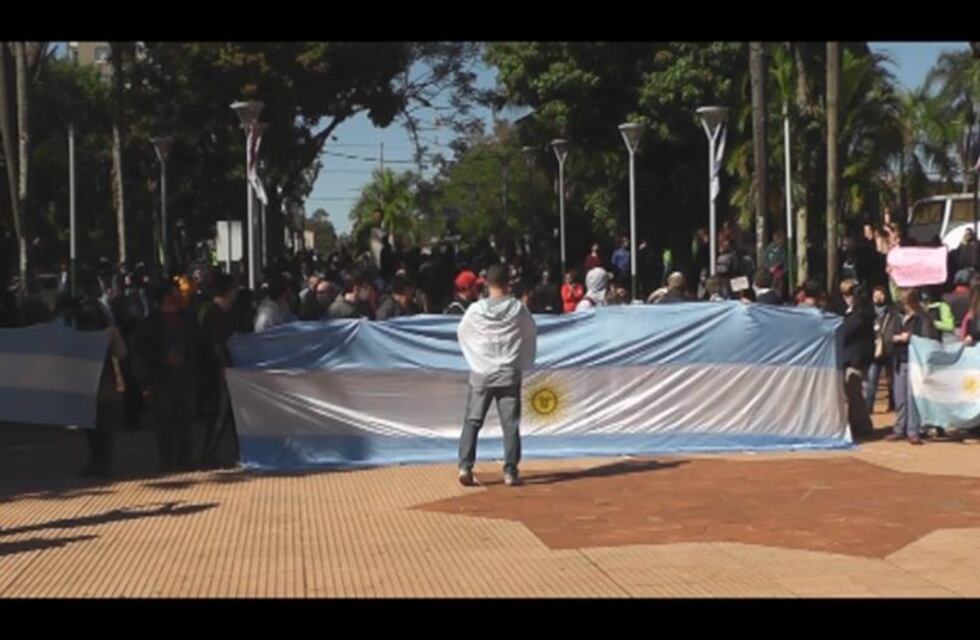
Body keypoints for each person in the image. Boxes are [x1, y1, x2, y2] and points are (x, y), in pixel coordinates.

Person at [456, 264, 537, 488]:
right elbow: (530, 331)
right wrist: (520, 357)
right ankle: (510, 471)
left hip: (482, 372)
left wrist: (477, 357)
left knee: (472, 421)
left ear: (487, 284)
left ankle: (465, 466)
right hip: (508, 371)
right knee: (510, 425)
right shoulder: (517, 309)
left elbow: (462, 332)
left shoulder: (475, 310)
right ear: (508, 283)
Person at [135, 280, 203, 471]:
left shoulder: (188, 318)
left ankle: (186, 459)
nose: (180, 296)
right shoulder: (150, 323)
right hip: (161, 380)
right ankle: (167, 461)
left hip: (186, 377)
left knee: (186, 420)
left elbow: (199, 342)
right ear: (166, 297)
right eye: (175, 293)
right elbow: (141, 350)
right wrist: (163, 358)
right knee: (163, 422)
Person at [74, 296, 127, 478]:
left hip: (94, 385)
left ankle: (101, 462)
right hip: (100, 384)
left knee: (97, 426)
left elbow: (121, 354)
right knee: (100, 426)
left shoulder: (78, 335)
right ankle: (101, 462)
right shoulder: (108, 333)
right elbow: (122, 354)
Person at [884, 289, 940, 445]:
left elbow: (929, 340)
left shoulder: (923, 319)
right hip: (899, 360)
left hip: (915, 362)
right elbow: (887, 335)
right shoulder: (896, 318)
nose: (904, 306)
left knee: (912, 398)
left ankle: (913, 430)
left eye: (906, 303)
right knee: (900, 397)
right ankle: (899, 429)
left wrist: (911, 338)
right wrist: (895, 338)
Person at [200, 273, 239, 467]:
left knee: (229, 414)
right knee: (221, 413)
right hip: (220, 371)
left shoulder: (222, 312)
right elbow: (215, 343)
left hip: (226, 369)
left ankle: (224, 451)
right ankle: (208, 454)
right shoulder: (214, 314)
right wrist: (223, 365)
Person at [836, 279, 875, 438]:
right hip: (853, 357)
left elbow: (847, 331)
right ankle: (858, 425)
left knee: (855, 394)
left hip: (856, 358)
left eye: (847, 294)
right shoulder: (855, 311)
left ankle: (862, 426)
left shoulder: (860, 312)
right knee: (854, 393)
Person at [866, 286, 897, 413]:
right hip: (874, 350)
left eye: (881, 295)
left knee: (892, 379)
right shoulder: (868, 312)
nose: (878, 297)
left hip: (890, 349)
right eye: (876, 295)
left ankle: (893, 403)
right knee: (871, 379)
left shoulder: (893, 312)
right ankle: (868, 406)